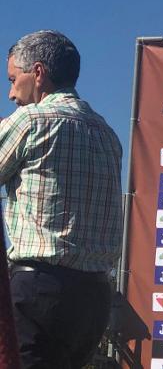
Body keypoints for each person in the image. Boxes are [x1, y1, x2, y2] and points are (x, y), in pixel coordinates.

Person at [0, 30, 123, 368]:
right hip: (95, 297)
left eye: (13, 79)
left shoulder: (30, 120)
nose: (11, 93)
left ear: (37, 73)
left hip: (37, 289)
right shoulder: (107, 133)